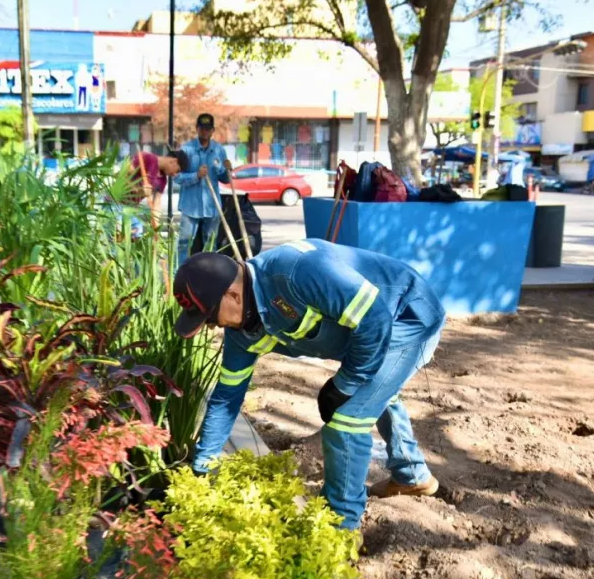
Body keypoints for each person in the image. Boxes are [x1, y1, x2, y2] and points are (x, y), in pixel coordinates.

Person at [173, 240, 445, 530]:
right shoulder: (242, 332)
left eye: (210, 318)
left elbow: (374, 319)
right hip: (362, 331)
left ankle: (339, 528)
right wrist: (204, 467)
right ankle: (413, 477)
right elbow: (226, 398)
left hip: (404, 317)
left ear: (234, 295)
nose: (213, 327)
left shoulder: (296, 272)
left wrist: (345, 383)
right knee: (376, 395)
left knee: (347, 420)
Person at [174, 113, 233, 265]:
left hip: (212, 207)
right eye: (202, 128)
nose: (205, 132)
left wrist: (228, 171)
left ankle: (207, 275)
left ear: (212, 130)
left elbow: (225, 179)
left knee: (210, 245)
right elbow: (177, 177)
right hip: (190, 206)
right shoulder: (186, 150)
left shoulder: (219, 150)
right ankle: (179, 275)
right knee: (184, 244)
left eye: (208, 129)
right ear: (197, 129)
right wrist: (196, 175)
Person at [130, 149, 189, 227]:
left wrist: (156, 223)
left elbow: (157, 203)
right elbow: (123, 173)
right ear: (174, 161)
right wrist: (138, 190)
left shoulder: (163, 180)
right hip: (116, 204)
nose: (175, 174)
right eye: (177, 171)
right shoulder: (148, 158)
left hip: (131, 209)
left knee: (136, 234)